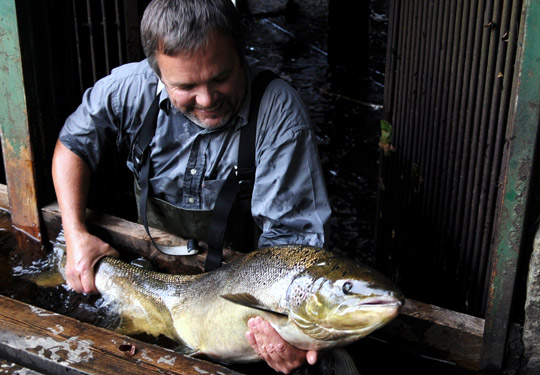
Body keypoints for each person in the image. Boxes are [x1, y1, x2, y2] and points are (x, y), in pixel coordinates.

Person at [52, 0, 331, 373]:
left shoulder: (278, 113)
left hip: (236, 300)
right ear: (158, 74)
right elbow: (72, 147)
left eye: (220, 77)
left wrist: (285, 329)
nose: (206, 99)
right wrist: (74, 234)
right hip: (147, 280)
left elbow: (291, 249)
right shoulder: (129, 88)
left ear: (241, 51)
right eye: (185, 86)